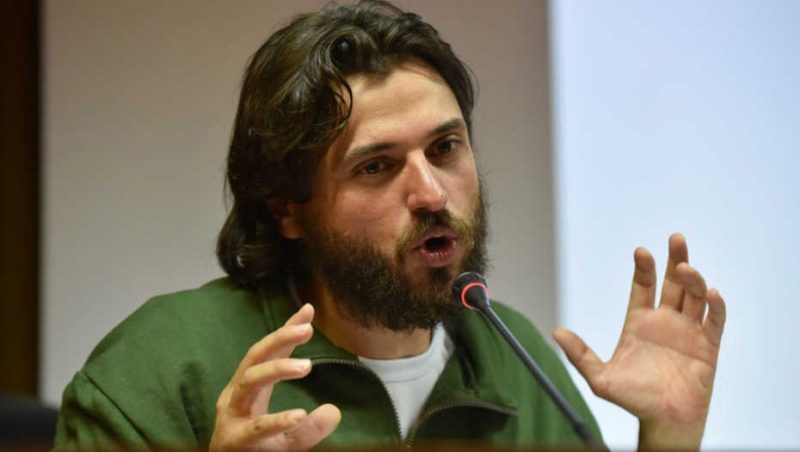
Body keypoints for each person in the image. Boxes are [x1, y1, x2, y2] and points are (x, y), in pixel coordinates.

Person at [54, 1, 727, 450]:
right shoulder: (163, 368)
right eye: (376, 167)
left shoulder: (515, 359)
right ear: (287, 209)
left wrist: (667, 441)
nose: (432, 193)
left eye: (445, 148)